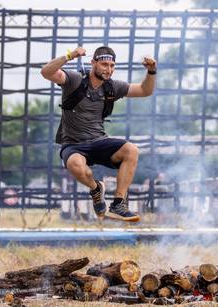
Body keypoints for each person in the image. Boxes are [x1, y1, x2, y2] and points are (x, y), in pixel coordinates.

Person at [40, 46, 157, 222]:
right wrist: (69, 55)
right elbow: (46, 72)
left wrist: (152, 71)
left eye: (111, 66)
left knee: (131, 150)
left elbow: (144, 91)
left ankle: (118, 204)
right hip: (73, 144)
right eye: (104, 64)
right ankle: (95, 188)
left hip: (99, 141)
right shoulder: (75, 79)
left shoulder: (112, 87)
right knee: (75, 164)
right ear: (93, 63)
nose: (108, 70)